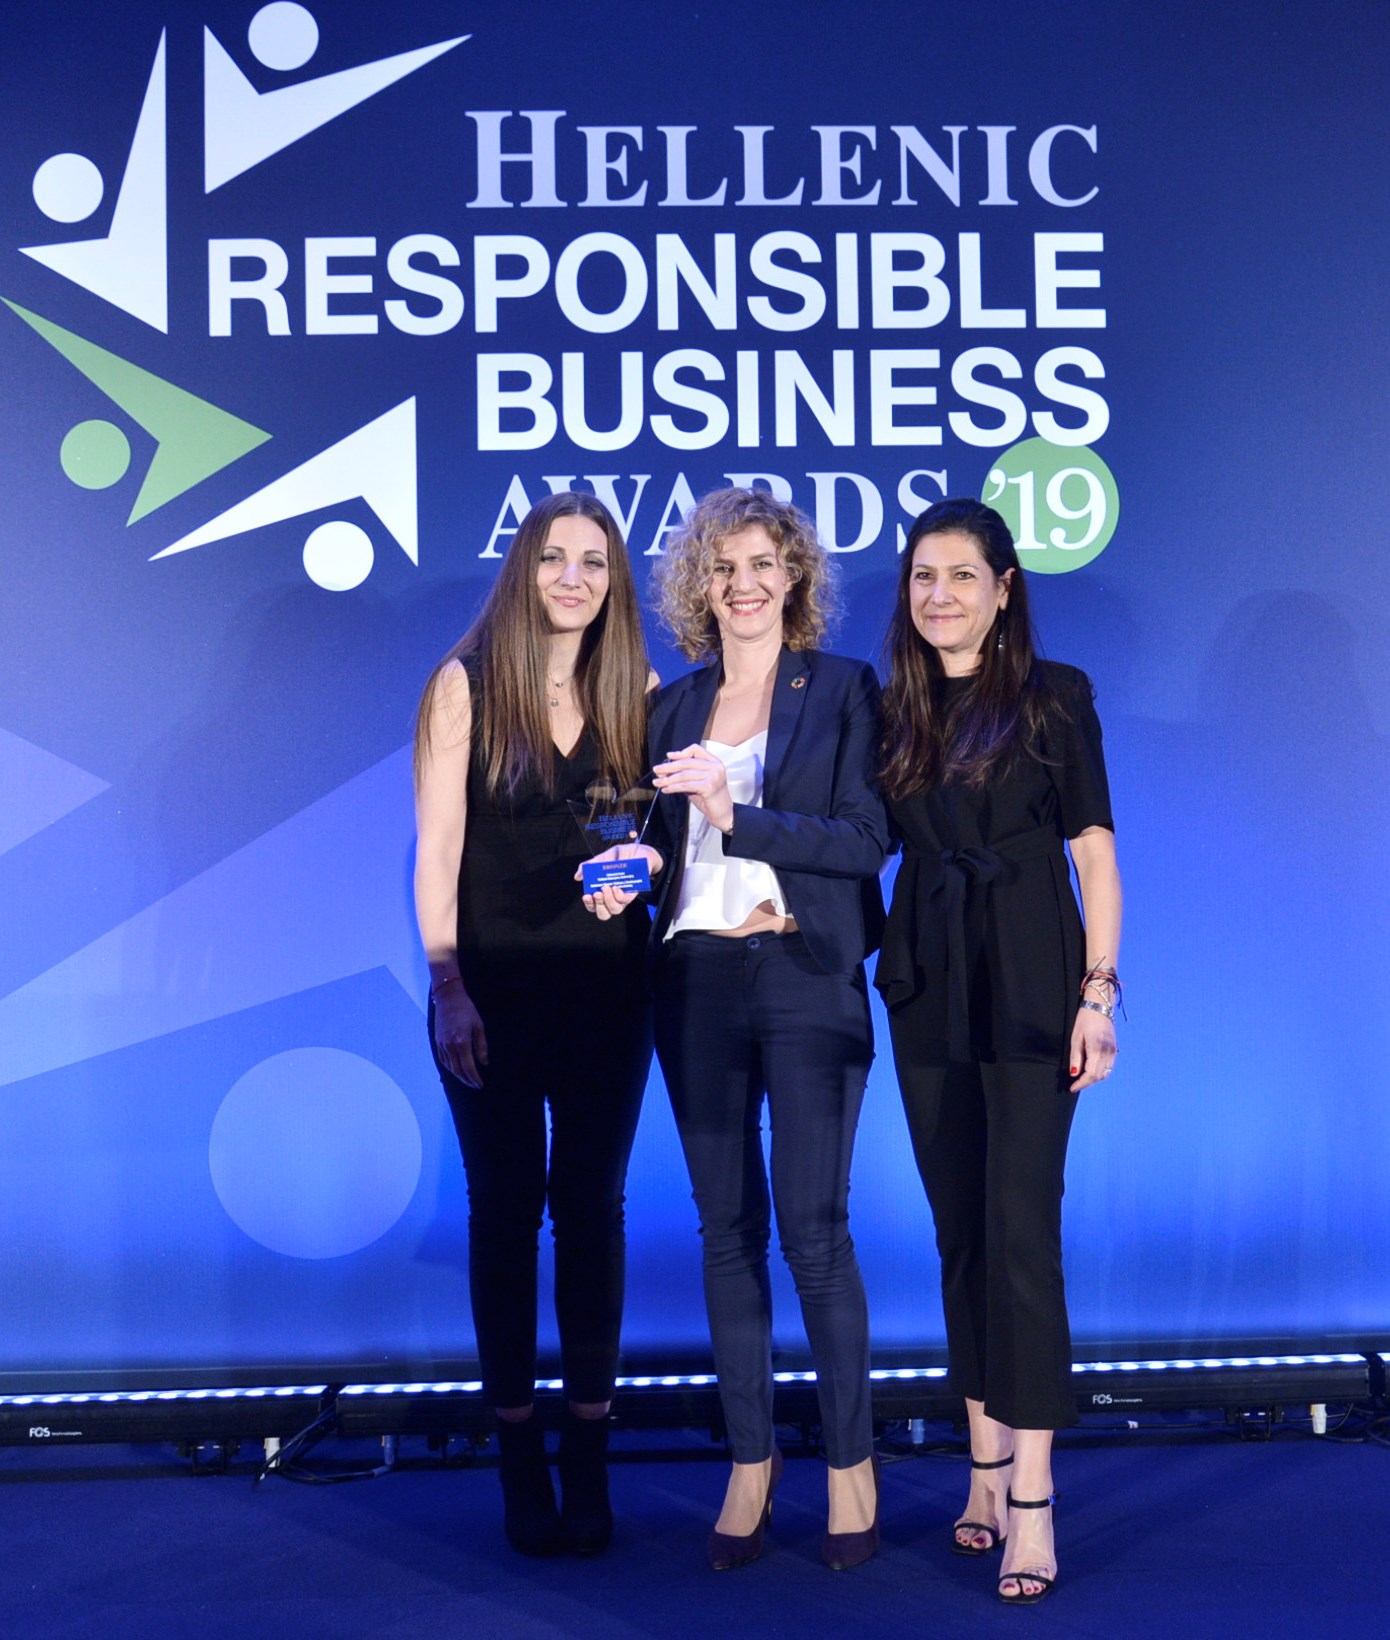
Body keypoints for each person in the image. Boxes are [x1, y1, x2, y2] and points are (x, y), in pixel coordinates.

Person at [584, 487, 889, 1572]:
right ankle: (751, 1464)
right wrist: (629, 867)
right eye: (723, 568)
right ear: (699, 586)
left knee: (815, 1231)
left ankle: (850, 1465)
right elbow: (651, 836)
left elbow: (864, 840)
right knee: (726, 1231)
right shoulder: (672, 706)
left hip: (803, 972)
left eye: (763, 564)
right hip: (697, 978)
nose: (743, 584)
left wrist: (734, 814)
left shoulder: (843, 689)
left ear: (794, 575)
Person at [875, 497, 1122, 1605]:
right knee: (960, 1232)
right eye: (923, 576)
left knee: (1022, 1233)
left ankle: (1031, 1494)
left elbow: (1095, 854)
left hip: (1032, 976)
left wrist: (1098, 994)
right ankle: (979, 1464)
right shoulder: (890, 708)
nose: (940, 595)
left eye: (962, 575)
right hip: (926, 980)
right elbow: (849, 844)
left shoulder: (1055, 695)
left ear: (1005, 587)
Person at [413, 492, 654, 1557]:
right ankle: (519, 1454)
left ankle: (588, 1451)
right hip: (492, 997)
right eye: (554, 557)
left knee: (592, 1211)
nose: (573, 577)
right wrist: (447, 984)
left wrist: (646, 864)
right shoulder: (463, 685)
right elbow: (436, 851)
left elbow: (662, 838)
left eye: (593, 561)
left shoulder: (639, 689)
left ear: (613, 580)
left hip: (609, 992)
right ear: (523, 569)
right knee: (505, 1213)